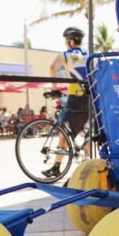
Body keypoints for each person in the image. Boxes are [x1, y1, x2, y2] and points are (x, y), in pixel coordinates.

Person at [42, 27, 90, 178]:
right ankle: (89, 166)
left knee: (63, 132)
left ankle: (56, 167)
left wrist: (55, 90)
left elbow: (52, 67)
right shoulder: (89, 55)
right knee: (88, 131)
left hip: (75, 98)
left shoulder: (67, 55)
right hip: (90, 98)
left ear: (70, 41)